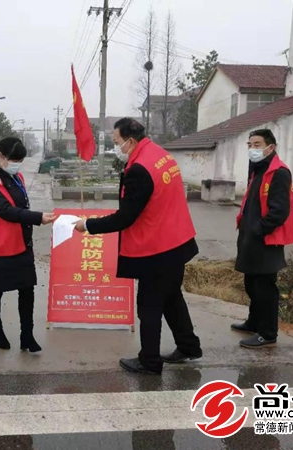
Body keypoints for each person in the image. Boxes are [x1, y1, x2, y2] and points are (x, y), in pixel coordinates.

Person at [75, 118, 202, 375]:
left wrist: (87, 225)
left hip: (157, 248)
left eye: (116, 142)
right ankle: (188, 346)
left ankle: (149, 361)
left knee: (149, 306)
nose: (116, 147)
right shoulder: (161, 155)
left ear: (130, 141)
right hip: (177, 241)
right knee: (172, 298)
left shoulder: (139, 169)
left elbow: (125, 217)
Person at [0, 137, 56, 352]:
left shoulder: (16, 177)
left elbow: (21, 205)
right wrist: (38, 217)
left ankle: (27, 336)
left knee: (27, 289)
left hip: (20, 243)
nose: (17, 164)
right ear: (1, 156)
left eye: (21, 160)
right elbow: (5, 210)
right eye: (14, 160)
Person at [232, 129, 293, 349]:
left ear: (271, 147)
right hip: (251, 237)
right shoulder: (258, 168)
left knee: (265, 288)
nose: (252, 149)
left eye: (257, 144)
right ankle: (254, 322)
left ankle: (268, 333)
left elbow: (279, 211)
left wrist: (258, 230)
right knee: (251, 283)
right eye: (250, 145)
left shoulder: (279, 173)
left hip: (266, 240)